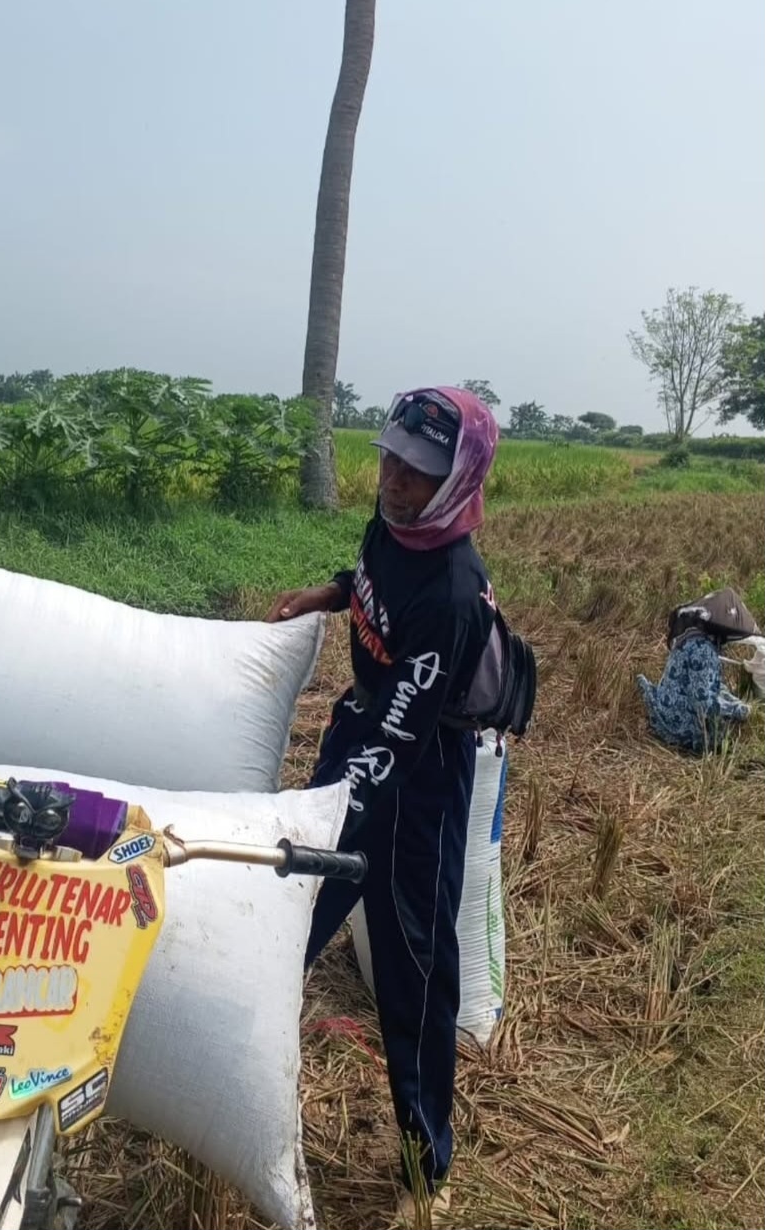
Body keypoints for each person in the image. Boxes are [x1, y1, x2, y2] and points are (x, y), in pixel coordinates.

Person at [268, 386, 504, 1221]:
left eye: (419, 472)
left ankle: (424, 1167)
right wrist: (325, 595)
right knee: (285, 918)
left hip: (418, 785)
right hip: (360, 738)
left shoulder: (450, 590)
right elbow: (370, 575)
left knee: (416, 980)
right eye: (392, 461)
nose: (397, 482)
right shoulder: (394, 529)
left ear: (458, 479)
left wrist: (327, 816)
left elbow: (403, 734)